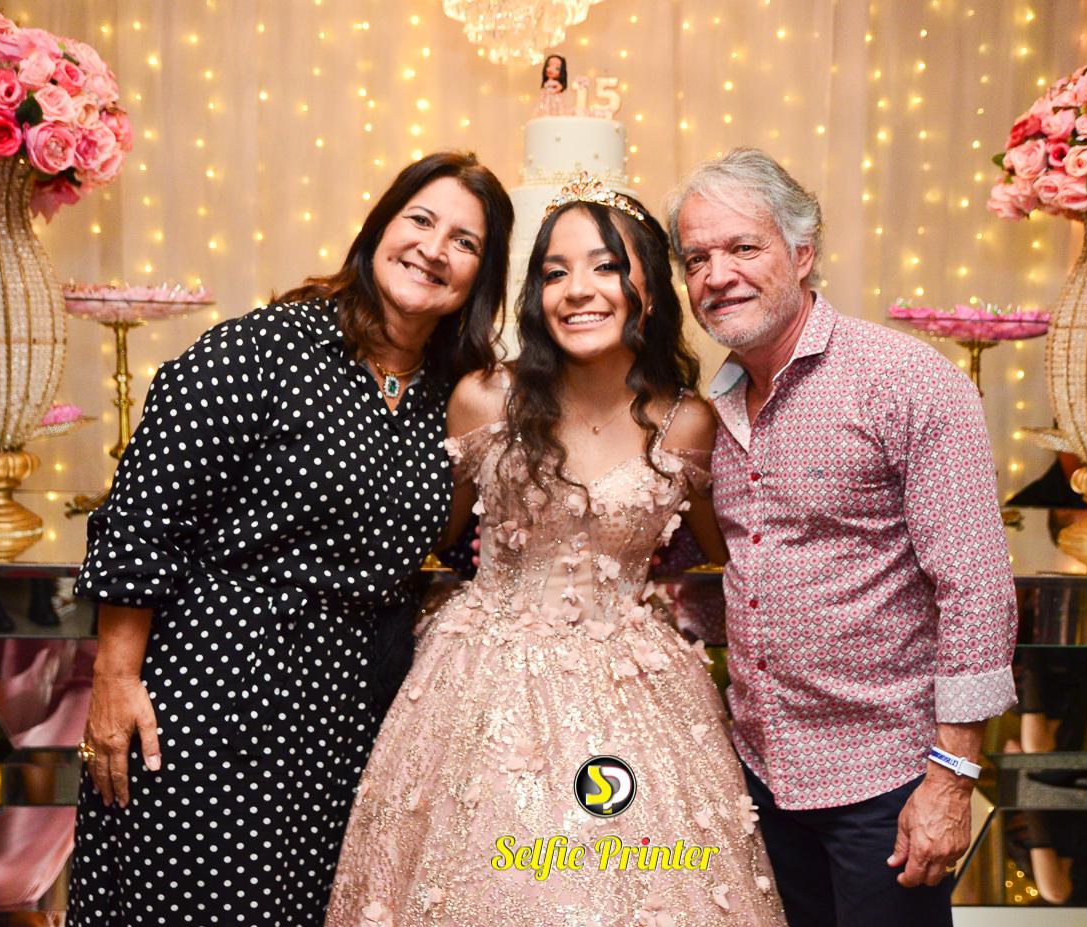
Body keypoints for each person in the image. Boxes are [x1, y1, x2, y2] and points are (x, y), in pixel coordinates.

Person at [66, 151, 514, 926]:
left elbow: (462, 536)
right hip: (216, 691)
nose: (434, 248)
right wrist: (115, 677)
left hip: (349, 712)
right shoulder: (266, 349)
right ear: (380, 228)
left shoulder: (451, 395)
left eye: (464, 241)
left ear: (482, 275)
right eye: (420, 219)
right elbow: (144, 514)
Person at [324, 176, 786, 926]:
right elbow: (427, 537)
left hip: (637, 690)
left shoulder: (688, 422)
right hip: (480, 684)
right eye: (554, 271)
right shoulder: (484, 398)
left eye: (606, 266)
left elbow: (742, 556)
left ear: (649, 288)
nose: (578, 290)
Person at [666, 148, 1018, 926]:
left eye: (743, 247)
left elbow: (976, 589)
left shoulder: (907, 381)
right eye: (696, 258)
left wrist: (952, 778)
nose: (717, 275)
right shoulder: (714, 408)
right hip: (759, 772)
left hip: (884, 782)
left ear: (803, 251)